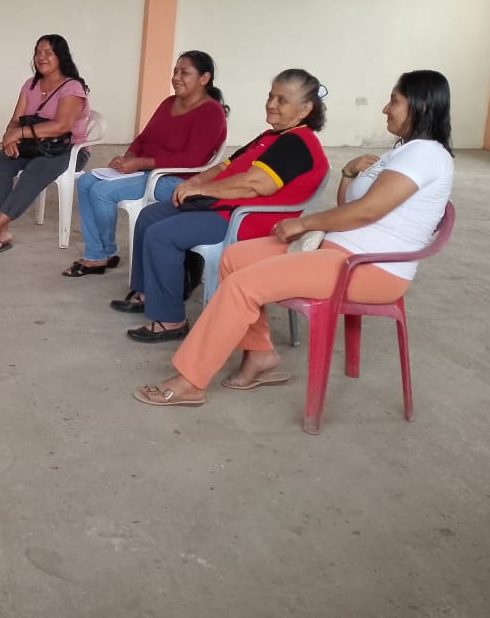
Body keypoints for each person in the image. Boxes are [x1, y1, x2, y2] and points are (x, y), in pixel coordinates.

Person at [134, 70, 454, 407]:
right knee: (234, 258)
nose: (386, 109)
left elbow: (367, 211)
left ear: (420, 106)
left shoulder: (426, 154)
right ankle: (260, 355)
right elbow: (349, 206)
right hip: (336, 249)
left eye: (394, 101)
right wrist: (349, 173)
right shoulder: (400, 154)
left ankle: (190, 381)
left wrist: (305, 223)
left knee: (243, 286)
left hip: (367, 267)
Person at [123, 68, 330, 343]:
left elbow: (255, 185)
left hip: (245, 219)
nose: (271, 104)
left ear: (305, 109)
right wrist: (195, 181)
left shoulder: (297, 144)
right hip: (222, 206)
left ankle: (171, 320)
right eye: (271, 96)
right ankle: (148, 292)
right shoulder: (271, 136)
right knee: (149, 216)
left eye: (282, 100)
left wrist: (201, 189)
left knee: (162, 235)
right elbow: (225, 166)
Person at [63, 50, 228, 277]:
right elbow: (144, 138)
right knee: (86, 182)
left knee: (101, 192)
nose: (176, 77)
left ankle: (98, 256)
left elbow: (193, 159)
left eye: (184, 73)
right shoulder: (169, 102)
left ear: (204, 78)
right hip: (146, 170)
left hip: (176, 179)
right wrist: (128, 157)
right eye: (175, 71)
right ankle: (104, 253)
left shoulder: (211, 112)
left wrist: (141, 162)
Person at [0, 34, 90, 254]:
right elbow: (16, 119)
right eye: (38, 52)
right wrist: (10, 138)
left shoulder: (72, 88)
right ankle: (2, 231)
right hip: (34, 145)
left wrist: (19, 133)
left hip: (68, 149)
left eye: (48, 53)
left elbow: (61, 126)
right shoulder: (30, 85)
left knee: (36, 168)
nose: (41, 57)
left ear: (61, 56)